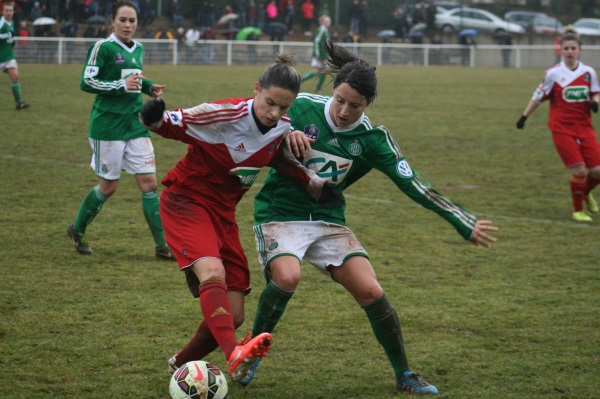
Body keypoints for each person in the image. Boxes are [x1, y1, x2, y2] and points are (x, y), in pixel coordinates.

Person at [240, 41, 499, 395]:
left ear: (368, 104)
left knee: (371, 290)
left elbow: (414, 185)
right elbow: (255, 118)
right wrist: (285, 131)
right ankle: (250, 353)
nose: (344, 111)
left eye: (355, 105)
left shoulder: (374, 140)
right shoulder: (300, 107)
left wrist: (461, 220)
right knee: (287, 277)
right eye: (340, 100)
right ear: (333, 90)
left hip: (329, 222)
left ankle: (404, 375)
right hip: (279, 214)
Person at [137, 53, 340, 383]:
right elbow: (171, 124)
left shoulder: (281, 129)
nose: (274, 113)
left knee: (233, 315)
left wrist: (315, 185)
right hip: (186, 201)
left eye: (284, 108)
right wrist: (153, 117)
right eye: (270, 102)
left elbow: (282, 161)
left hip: (223, 215)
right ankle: (234, 355)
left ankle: (180, 363)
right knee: (212, 272)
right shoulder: (225, 113)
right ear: (256, 89)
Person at [67, 0, 174, 260]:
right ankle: (77, 229)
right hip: (108, 126)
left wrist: (148, 87)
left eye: (132, 20)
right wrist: (120, 84)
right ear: (112, 21)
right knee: (108, 187)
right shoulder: (101, 47)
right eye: (123, 20)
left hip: (135, 124)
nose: (128, 25)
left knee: (149, 183)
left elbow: (133, 77)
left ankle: (162, 246)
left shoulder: (138, 48)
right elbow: (87, 81)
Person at [516, 27, 600, 222]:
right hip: (561, 128)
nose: (570, 51)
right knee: (579, 170)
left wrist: (595, 101)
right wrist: (524, 116)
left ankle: (585, 193)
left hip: (585, 127)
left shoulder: (588, 72)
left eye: (573, 48)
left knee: (597, 170)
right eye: (566, 48)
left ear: (580, 50)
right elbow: (538, 96)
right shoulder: (553, 74)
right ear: (560, 50)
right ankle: (577, 210)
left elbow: (595, 91)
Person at [0, 2, 30, 110]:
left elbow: (9, 37)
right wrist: (7, 36)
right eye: (7, 10)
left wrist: (11, 41)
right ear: (2, 12)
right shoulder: (1, 23)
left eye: (11, 10)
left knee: (15, 77)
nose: (9, 13)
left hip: (7, 56)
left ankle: (18, 104)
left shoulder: (10, 22)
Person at [301, 14, 330, 93]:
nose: (328, 23)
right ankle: (317, 88)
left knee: (321, 70)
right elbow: (316, 41)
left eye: (329, 21)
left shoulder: (324, 30)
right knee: (322, 70)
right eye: (327, 21)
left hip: (323, 53)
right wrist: (317, 53)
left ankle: (316, 87)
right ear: (322, 22)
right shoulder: (322, 30)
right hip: (320, 54)